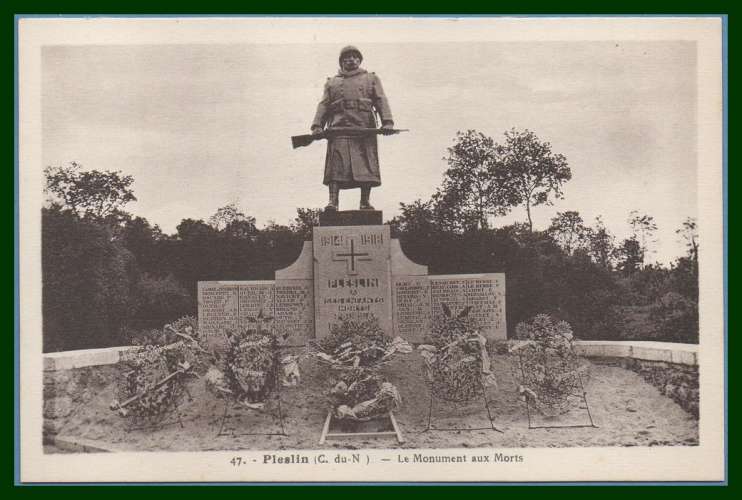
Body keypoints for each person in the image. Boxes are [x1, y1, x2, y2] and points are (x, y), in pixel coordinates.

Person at [311, 45, 394, 211]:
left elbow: (381, 100)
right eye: (347, 57)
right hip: (339, 128)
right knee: (336, 166)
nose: (351, 60)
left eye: (355, 57)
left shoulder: (371, 79)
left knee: (366, 166)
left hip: (364, 128)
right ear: (341, 61)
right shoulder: (332, 82)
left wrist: (387, 121)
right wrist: (317, 125)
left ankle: (365, 202)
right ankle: (333, 202)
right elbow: (324, 105)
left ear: (359, 60)